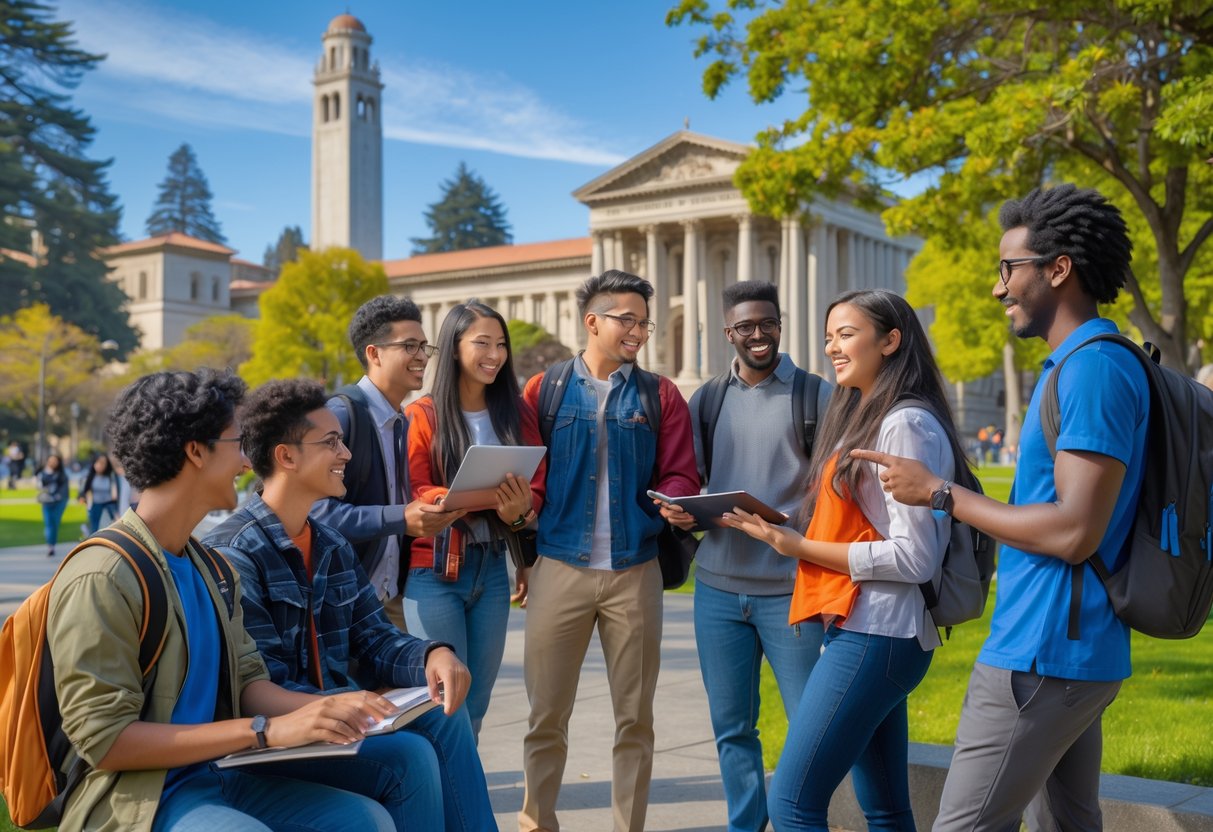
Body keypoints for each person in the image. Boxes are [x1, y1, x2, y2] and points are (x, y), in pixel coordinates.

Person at [855, 185, 1148, 831]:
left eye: (1006, 268)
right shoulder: (1074, 364)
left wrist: (941, 493)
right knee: (1068, 823)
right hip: (1062, 650)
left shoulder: (1092, 370)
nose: (997, 288)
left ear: (1057, 268)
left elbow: (1073, 530)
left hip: (1042, 652)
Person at [47, 369, 401, 832]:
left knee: (364, 819)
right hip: (139, 798)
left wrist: (323, 708)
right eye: (237, 443)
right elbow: (105, 738)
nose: (246, 462)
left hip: (219, 772)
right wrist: (264, 731)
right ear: (196, 451)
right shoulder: (103, 575)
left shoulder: (210, 566)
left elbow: (249, 682)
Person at [203, 378, 498, 831]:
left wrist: (433, 655)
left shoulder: (330, 543)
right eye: (331, 443)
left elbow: (376, 638)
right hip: (271, 740)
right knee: (409, 756)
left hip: (335, 724)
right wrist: (355, 703)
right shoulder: (236, 553)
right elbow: (258, 685)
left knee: (447, 715)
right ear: (286, 456)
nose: (346, 454)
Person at [723, 289, 966, 830]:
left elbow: (915, 557)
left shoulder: (904, 424)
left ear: (891, 340)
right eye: (829, 336)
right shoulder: (868, 412)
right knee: (883, 807)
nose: (832, 347)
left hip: (879, 632)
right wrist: (786, 527)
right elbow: (869, 521)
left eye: (847, 334)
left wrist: (799, 548)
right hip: (867, 627)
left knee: (790, 804)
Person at [517, 269, 699, 832]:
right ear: (592, 321)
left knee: (635, 720)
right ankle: (536, 823)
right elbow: (532, 479)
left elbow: (680, 471)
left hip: (635, 571)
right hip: (559, 568)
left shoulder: (660, 394)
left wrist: (677, 500)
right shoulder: (542, 390)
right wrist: (516, 509)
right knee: (546, 716)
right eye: (628, 320)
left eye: (644, 323)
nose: (639, 332)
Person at [658, 280, 830, 832]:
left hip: (790, 590)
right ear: (728, 332)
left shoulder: (816, 394)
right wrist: (684, 511)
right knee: (732, 726)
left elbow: (836, 490)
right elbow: (695, 478)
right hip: (717, 591)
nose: (758, 335)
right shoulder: (707, 398)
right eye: (745, 327)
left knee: (811, 724)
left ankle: (804, 820)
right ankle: (746, 824)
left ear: (780, 325)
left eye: (768, 324)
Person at [403, 299, 546, 740]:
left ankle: (461, 801)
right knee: (443, 703)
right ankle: (439, 805)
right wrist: (460, 496)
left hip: (493, 566)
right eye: (482, 343)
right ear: (453, 347)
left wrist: (521, 509)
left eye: (501, 344)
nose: (495, 355)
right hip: (435, 569)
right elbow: (414, 485)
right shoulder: (421, 414)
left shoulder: (517, 412)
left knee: (477, 702)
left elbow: (537, 481)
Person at [312, 294, 465, 631]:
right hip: (345, 603)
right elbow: (314, 511)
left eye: (425, 347)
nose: (422, 357)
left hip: (388, 600)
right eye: (410, 346)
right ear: (374, 353)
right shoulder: (340, 415)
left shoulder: (400, 421)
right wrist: (400, 518)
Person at [36, 452, 70, 557]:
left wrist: (57, 497)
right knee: (48, 522)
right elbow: (39, 486)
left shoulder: (62, 474)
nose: (52, 463)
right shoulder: (43, 473)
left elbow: (64, 490)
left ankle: (52, 544)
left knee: (54, 522)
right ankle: (50, 545)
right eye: (50, 461)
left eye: (55, 461)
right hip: (47, 502)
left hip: (59, 502)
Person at [78, 453, 121, 534]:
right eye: (98, 462)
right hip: (95, 504)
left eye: (103, 463)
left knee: (113, 526)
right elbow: (84, 490)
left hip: (109, 504)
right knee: (94, 527)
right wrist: (83, 498)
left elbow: (117, 493)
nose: (100, 465)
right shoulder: (90, 476)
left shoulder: (111, 476)